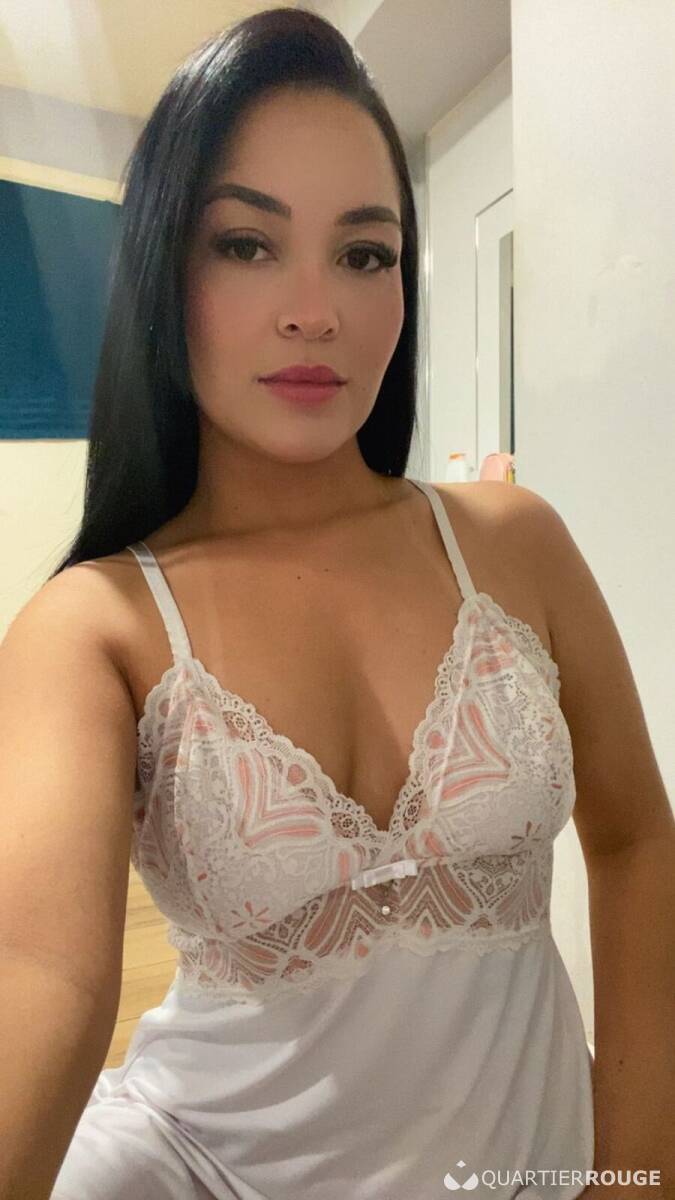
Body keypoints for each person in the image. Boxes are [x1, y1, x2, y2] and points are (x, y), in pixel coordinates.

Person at [1, 9, 598, 1199]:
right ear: (164, 272)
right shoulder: (94, 626)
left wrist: (646, 1162)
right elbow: (41, 979)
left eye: (365, 254)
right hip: (203, 1165)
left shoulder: (511, 543)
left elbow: (636, 843)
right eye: (247, 244)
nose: (315, 310)